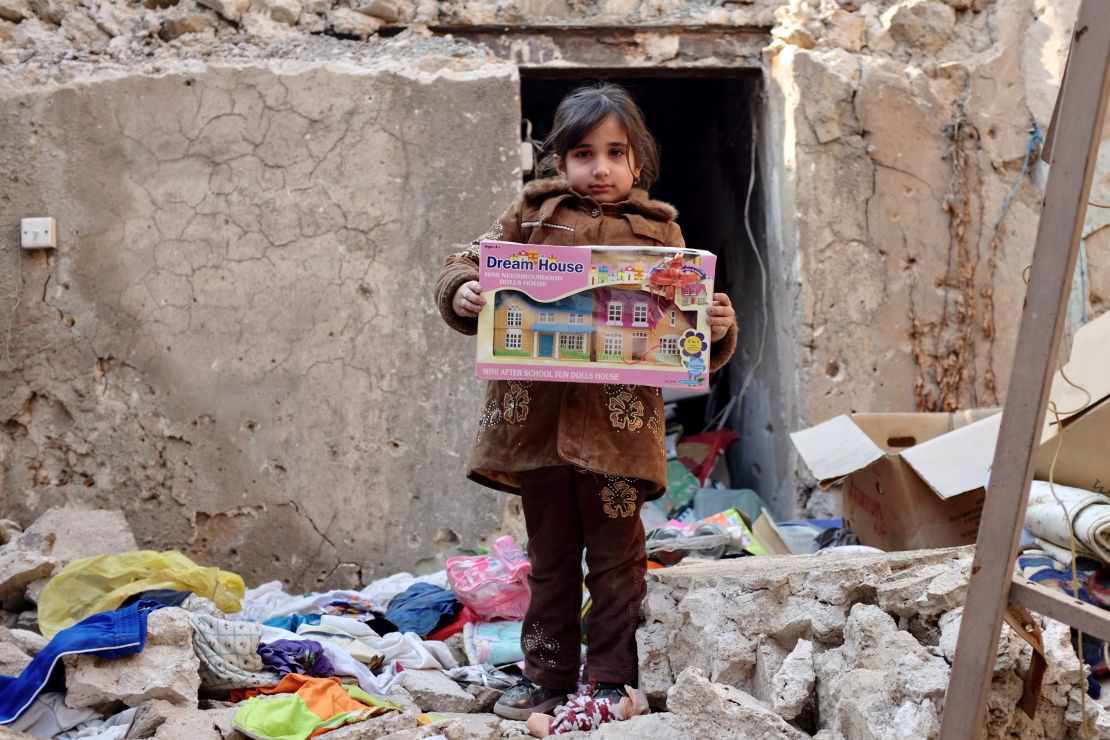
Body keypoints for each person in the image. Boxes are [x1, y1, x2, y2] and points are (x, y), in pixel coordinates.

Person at [433, 82, 738, 720]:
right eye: (582, 154)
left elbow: (688, 331)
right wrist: (463, 290)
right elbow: (467, 263)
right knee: (548, 562)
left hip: (618, 434)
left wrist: (715, 325)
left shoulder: (661, 233)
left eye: (615, 153)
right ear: (558, 161)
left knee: (616, 560)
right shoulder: (531, 214)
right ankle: (545, 678)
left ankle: (608, 678)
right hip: (538, 430)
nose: (599, 169)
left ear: (637, 161)